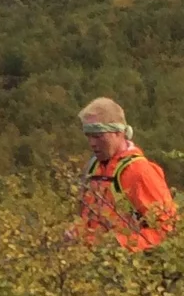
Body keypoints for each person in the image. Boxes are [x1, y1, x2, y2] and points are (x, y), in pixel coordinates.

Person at [73, 97, 177, 249]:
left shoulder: (140, 171)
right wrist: (75, 234)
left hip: (130, 261)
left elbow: (165, 230)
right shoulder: (92, 167)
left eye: (98, 136)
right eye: (88, 136)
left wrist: (119, 244)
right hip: (92, 260)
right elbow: (86, 219)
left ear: (118, 132)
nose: (92, 143)